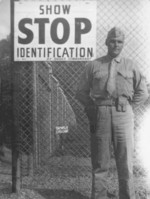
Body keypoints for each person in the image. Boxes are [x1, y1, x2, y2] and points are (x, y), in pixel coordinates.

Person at [75, 27, 149, 199]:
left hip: (124, 114)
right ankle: (99, 196)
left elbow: (143, 92)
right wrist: (92, 108)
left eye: (120, 41)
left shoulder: (131, 65)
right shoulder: (93, 65)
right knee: (100, 161)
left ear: (123, 44)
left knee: (125, 161)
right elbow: (81, 92)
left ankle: (127, 196)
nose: (116, 44)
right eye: (113, 41)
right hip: (100, 113)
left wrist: (130, 107)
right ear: (106, 42)